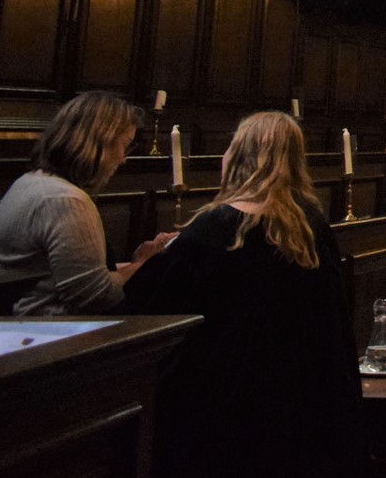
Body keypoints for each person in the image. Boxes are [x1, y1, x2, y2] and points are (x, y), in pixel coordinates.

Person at [118, 112, 365, 476]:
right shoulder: (309, 226)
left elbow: (149, 307)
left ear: (236, 156)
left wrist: (147, 260)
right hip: (297, 399)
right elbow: (332, 324)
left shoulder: (213, 228)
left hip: (226, 403)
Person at [0, 91, 174, 316]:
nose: (124, 158)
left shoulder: (32, 182)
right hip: (58, 336)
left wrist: (138, 260)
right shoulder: (65, 200)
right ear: (99, 142)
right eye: (124, 145)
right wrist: (144, 264)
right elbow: (96, 298)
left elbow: (68, 279)